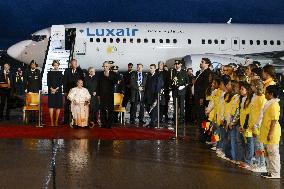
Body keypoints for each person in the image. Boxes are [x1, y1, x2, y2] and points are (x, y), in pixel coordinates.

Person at [259, 85, 281, 179]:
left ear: (271, 94)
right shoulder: (270, 103)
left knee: (273, 154)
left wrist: (270, 134)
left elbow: (274, 120)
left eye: (266, 92)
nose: (264, 94)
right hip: (266, 132)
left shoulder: (274, 105)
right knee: (268, 154)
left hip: (271, 133)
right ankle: (269, 171)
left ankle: (275, 173)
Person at [193, 58, 212, 141]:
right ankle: (202, 134)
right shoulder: (201, 72)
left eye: (202, 62)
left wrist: (202, 98)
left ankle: (205, 136)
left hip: (202, 100)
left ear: (207, 64)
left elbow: (205, 87)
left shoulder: (207, 73)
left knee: (203, 118)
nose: (200, 63)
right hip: (198, 98)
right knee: (200, 118)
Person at [97, 61, 118, 128]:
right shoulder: (100, 74)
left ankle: (109, 124)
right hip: (102, 94)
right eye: (104, 66)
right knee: (102, 109)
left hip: (110, 95)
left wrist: (108, 76)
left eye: (106, 66)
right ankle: (103, 123)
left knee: (110, 110)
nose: (105, 67)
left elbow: (116, 82)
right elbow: (98, 84)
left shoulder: (113, 74)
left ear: (109, 67)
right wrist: (98, 94)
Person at [63, 59, 84, 124]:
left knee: (77, 106)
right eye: (72, 64)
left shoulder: (80, 71)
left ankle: (76, 120)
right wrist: (65, 91)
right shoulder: (67, 70)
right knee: (67, 106)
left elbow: (82, 81)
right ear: (70, 64)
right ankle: (66, 121)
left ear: (76, 64)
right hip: (68, 91)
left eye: (75, 64)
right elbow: (65, 81)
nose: (73, 65)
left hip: (77, 92)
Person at [47, 60, 64, 126]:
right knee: (51, 105)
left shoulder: (61, 73)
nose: (56, 66)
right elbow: (48, 82)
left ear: (58, 65)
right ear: (53, 65)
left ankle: (56, 121)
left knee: (58, 106)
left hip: (58, 90)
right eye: (55, 65)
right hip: (51, 90)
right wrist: (52, 89)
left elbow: (61, 83)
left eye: (57, 65)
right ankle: (51, 121)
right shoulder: (49, 73)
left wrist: (56, 89)